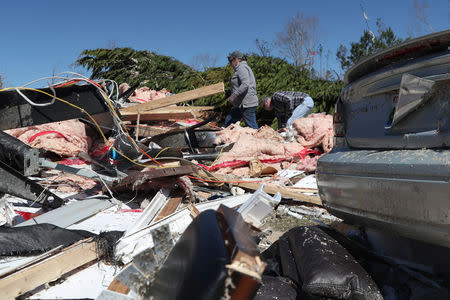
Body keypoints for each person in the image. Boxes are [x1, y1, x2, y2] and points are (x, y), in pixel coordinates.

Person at [224, 51, 259, 129]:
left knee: (252, 127)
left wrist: (233, 96)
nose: (230, 64)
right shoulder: (241, 68)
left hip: (247, 104)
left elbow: (245, 84)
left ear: (236, 60)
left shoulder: (241, 67)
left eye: (230, 61)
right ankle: (229, 139)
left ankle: (260, 140)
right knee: (229, 122)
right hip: (240, 104)